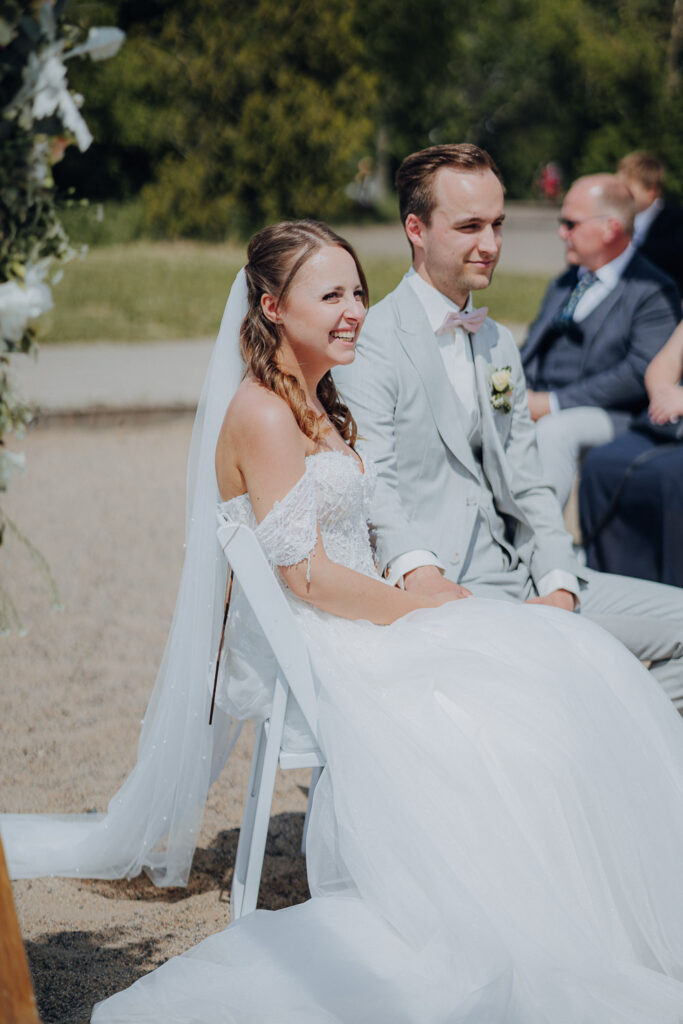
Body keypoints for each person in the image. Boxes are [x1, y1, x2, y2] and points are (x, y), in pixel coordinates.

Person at [89, 220, 683, 1023]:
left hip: (365, 614)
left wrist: (423, 593)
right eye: (328, 295)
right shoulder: (264, 413)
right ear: (270, 306)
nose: (353, 311)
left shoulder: (317, 396)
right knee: (520, 701)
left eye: (358, 292)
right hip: (330, 641)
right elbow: (307, 576)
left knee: (561, 655)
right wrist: (419, 608)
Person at [334, 145, 683, 707]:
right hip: (444, 591)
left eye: (498, 224)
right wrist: (421, 575)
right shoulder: (372, 343)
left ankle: (617, 761)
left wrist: (559, 582)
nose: (491, 245)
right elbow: (372, 481)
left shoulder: (496, 341)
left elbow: (527, 479)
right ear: (416, 228)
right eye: (470, 226)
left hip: (523, 575)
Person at [521, 172, 680, 508]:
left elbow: (638, 372)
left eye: (571, 223)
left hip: (612, 414)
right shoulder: (565, 282)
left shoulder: (653, 290)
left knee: (555, 431)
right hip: (538, 399)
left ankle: (547, 547)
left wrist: (550, 403)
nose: (561, 232)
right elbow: (532, 348)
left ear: (610, 228)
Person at [580, 320, 683, 586]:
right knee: (601, 464)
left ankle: (672, 592)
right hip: (671, 427)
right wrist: (663, 397)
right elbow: (661, 367)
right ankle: (610, 581)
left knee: (670, 477)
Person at [617, 151, 683, 293]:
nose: (620, 194)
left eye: (627, 189)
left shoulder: (676, 225)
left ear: (651, 191)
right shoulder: (613, 221)